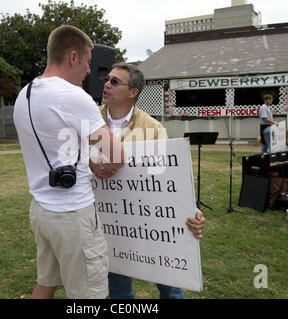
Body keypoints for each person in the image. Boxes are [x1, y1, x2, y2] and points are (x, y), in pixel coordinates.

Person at [13, 25, 125, 299]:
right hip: (73, 215)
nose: (89, 71)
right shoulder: (73, 97)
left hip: (41, 210)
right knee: (89, 295)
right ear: (73, 57)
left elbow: (53, 148)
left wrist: (84, 159)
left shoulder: (24, 95)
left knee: (46, 283)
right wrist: (98, 161)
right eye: (87, 62)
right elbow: (117, 155)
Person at [90, 62, 206, 299]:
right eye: (107, 79)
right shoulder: (90, 119)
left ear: (133, 92)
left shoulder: (153, 128)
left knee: (170, 287)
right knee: (119, 290)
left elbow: (167, 179)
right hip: (108, 221)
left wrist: (189, 209)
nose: (107, 84)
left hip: (148, 219)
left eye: (115, 81)